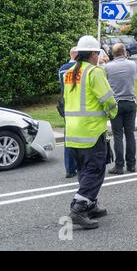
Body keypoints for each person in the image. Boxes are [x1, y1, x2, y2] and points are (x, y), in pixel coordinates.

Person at [64, 35, 118, 230]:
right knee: (95, 171)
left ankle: (90, 205)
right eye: (98, 53)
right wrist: (113, 113)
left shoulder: (69, 72)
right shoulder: (94, 72)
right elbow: (108, 98)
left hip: (72, 131)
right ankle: (78, 210)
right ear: (94, 54)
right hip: (92, 131)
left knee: (83, 171)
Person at [105, 43, 137, 175]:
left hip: (116, 104)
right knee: (130, 135)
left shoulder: (107, 67)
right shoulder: (132, 65)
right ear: (124, 52)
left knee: (118, 135)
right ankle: (131, 165)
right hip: (130, 102)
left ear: (112, 54)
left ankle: (119, 166)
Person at [59, 47, 79, 179]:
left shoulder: (62, 69)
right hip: (79, 105)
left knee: (69, 138)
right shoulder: (81, 69)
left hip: (66, 105)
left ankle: (70, 168)